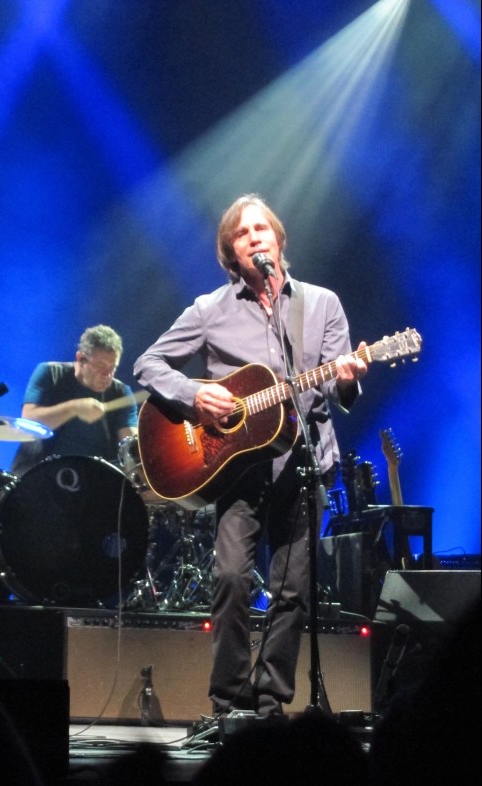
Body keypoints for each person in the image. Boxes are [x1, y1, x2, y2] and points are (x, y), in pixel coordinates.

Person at [134, 194, 368, 718]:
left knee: (292, 593)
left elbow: (336, 388)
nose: (255, 237)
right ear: (231, 254)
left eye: (262, 228)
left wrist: (347, 379)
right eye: (242, 234)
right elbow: (148, 364)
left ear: (279, 240)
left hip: (304, 465)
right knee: (234, 580)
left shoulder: (322, 304)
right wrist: (197, 395)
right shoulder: (209, 310)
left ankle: (270, 701)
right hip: (234, 468)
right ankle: (230, 703)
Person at [11, 324, 138, 475]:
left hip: (91, 484)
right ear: (80, 358)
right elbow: (28, 423)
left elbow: (129, 445)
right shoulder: (50, 373)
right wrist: (74, 408)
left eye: (113, 368)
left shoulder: (122, 393)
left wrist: (137, 447)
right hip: (37, 475)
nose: (108, 375)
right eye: (100, 366)